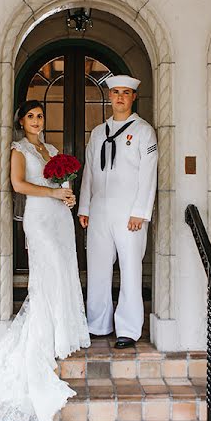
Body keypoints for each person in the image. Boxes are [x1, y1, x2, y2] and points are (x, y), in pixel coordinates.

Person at [0, 100, 90, 421]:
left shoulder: (51, 147)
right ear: (21, 121)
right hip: (39, 219)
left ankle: (60, 333)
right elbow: (18, 185)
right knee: (48, 274)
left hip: (60, 218)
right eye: (31, 117)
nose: (37, 121)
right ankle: (42, 343)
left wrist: (66, 195)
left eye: (40, 116)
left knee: (63, 273)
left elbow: (59, 183)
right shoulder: (19, 149)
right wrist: (53, 195)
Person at [78, 75, 157, 349]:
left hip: (129, 212)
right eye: (115, 92)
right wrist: (85, 206)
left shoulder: (144, 131)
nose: (120, 97)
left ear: (133, 97)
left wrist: (140, 212)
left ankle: (128, 328)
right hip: (99, 209)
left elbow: (149, 175)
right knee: (97, 269)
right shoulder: (98, 132)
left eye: (125, 92)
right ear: (109, 97)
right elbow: (89, 170)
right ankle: (97, 323)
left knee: (130, 270)